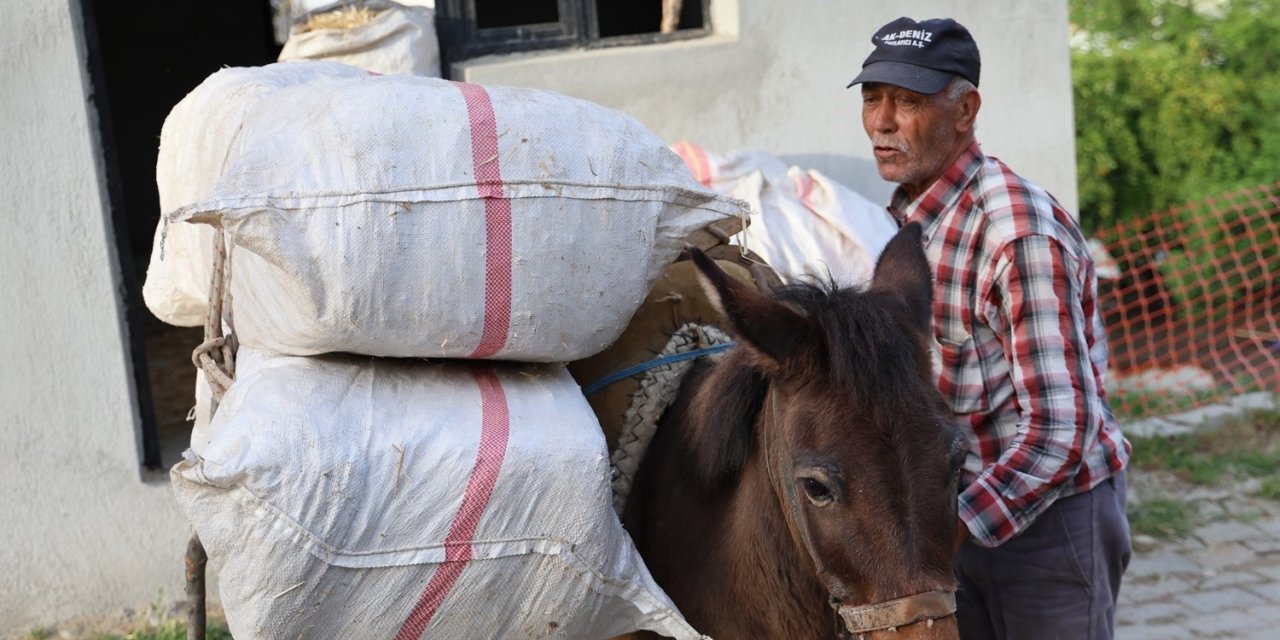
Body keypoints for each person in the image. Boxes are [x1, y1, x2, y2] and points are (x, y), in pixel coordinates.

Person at [847, 17, 1133, 640]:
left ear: (965, 110)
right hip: (952, 519)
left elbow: (1063, 428)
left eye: (908, 101)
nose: (882, 121)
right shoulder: (910, 220)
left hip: (1048, 524)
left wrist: (950, 526)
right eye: (873, 98)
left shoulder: (1016, 233)